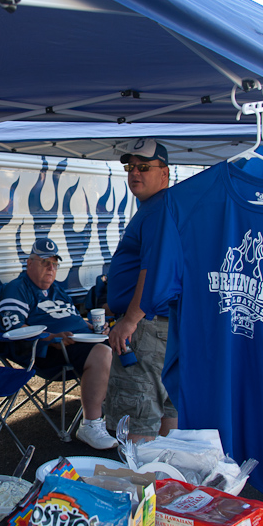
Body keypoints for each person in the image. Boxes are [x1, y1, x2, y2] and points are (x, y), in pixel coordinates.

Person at [0, 238, 117, 449]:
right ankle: (91, 425)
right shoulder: (17, 288)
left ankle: (117, 409)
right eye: (45, 262)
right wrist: (49, 338)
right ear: (29, 263)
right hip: (47, 350)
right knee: (102, 353)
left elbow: (72, 318)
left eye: (54, 264)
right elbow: (14, 329)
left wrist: (92, 327)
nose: (51, 268)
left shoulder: (57, 290)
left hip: (78, 342)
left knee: (121, 342)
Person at [105, 139, 178, 442]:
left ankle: (139, 473)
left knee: (138, 418)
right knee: (166, 409)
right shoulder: (160, 207)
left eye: (144, 167)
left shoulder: (158, 210)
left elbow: (153, 269)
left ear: (164, 173)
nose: (135, 172)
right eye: (130, 167)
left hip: (146, 327)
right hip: (163, 324)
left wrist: (130, 320)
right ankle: (164, 472)